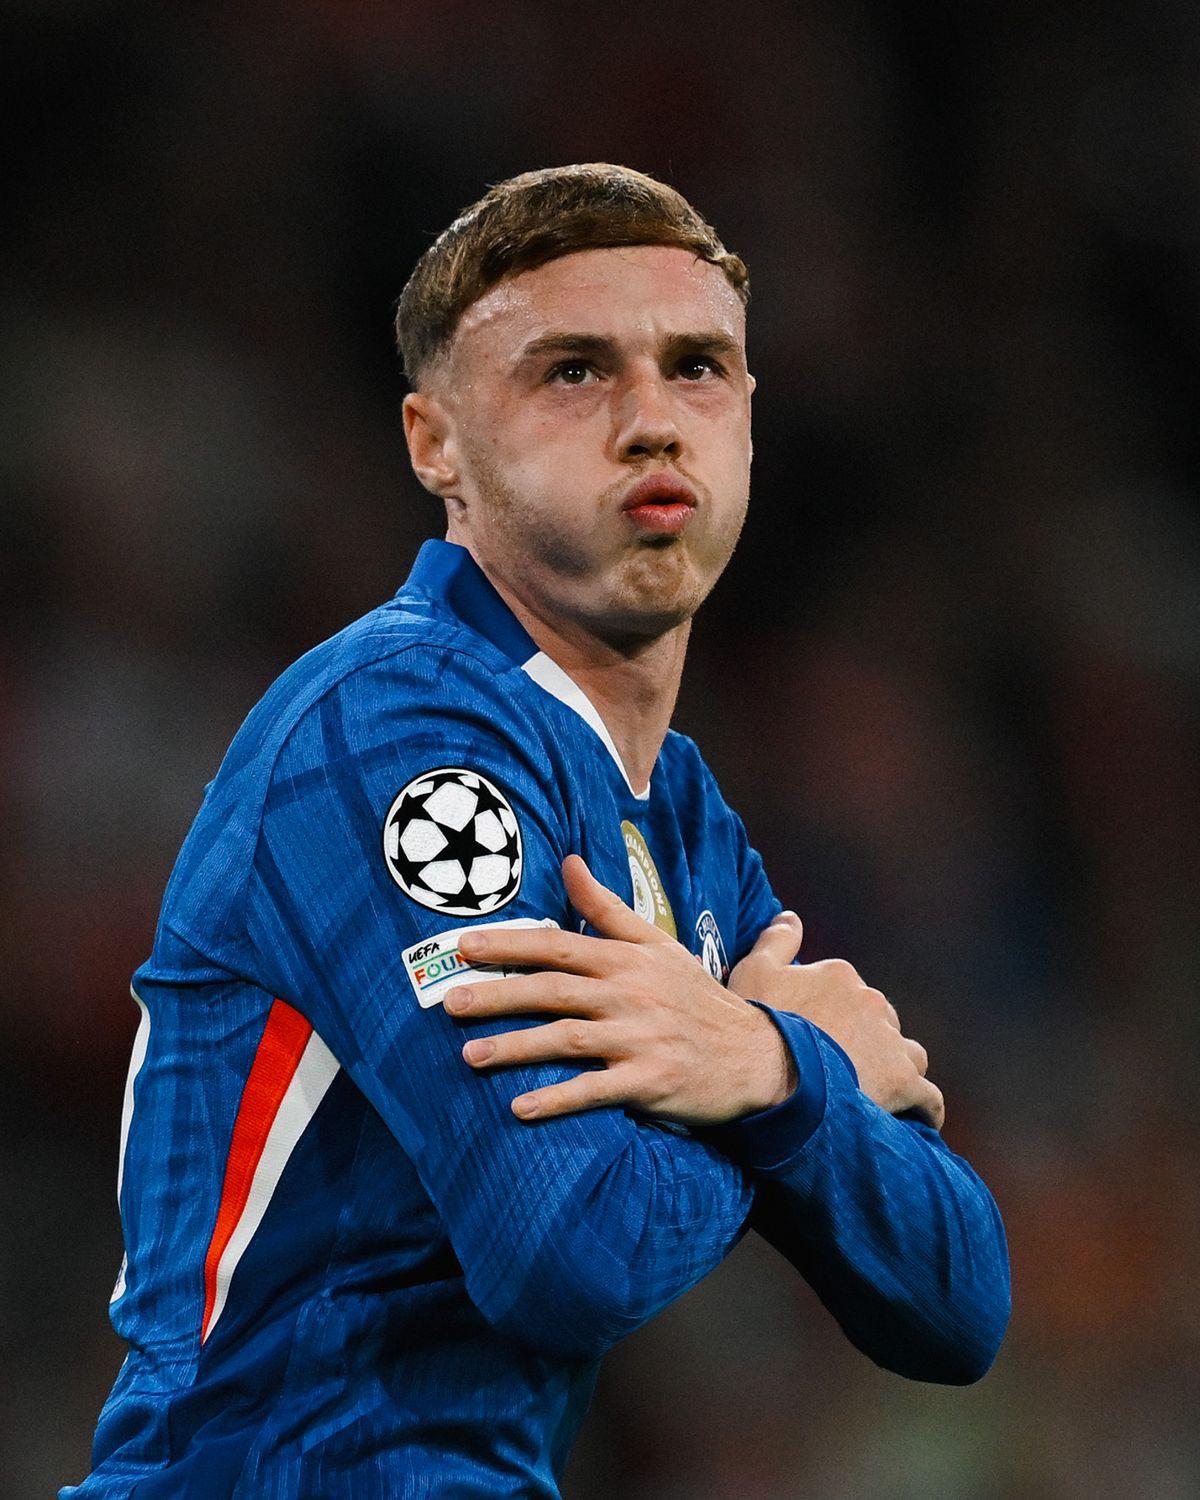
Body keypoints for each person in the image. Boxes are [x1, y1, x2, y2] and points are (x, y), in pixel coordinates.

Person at [64, 164, 1010, 1500]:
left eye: (697, 368)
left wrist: (762, 1065)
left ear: (749, 417)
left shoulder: (675, 810)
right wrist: (799, 1079)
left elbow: (959, 1306)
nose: (651, 421)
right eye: (573, 371)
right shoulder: (389, 733)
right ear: (434, 444)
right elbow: (564, 1254)